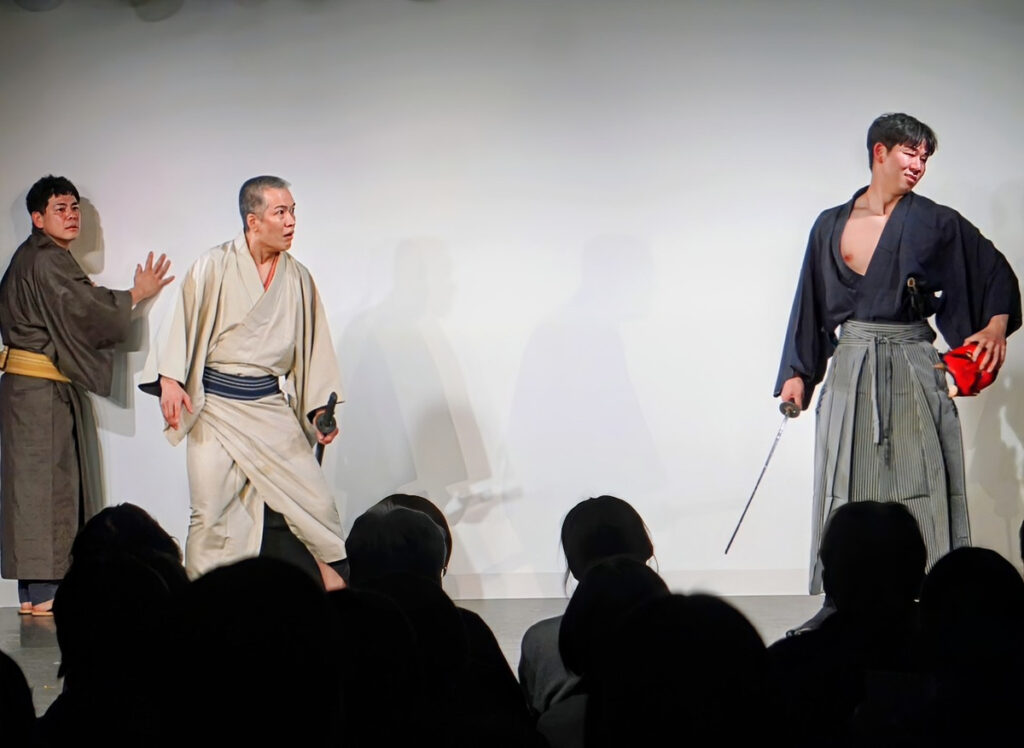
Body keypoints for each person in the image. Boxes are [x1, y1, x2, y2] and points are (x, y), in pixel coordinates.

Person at [776, 113, 1021, 597]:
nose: (918, 165)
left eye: (925, 157)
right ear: (880, 152)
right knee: (846, 486)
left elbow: (993, 271)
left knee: (922, 484)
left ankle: (934, 596)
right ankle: (845, 595)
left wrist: (995, 327)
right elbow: (810, 302)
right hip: (851, 364)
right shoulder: (829, 224)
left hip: (912, 361)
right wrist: (798, 373)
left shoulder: (935, 221)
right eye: (910, 153)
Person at [140, 175, 347, 590]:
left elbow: (313, 350)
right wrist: (170, 380)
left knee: (316, 507)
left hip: (268, 407)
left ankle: (336, 598)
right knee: (210, 514)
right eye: (280, 212)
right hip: (215, 409)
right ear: (253, 221)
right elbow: (180, 325)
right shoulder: (213, 266)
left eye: (292, 212)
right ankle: (201, 604)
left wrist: (317, 412)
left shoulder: (298, 278)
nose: (291, 221)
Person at [0, 175, 172, 616]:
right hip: (39, 393)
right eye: (60, 208)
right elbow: (85, 311)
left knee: (35, 486)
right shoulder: (46, 260)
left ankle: (34, 592)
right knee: (48, 486)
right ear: (38, 218)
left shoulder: (35, 257)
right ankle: (46, 593)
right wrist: (137, 294)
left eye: (75, 207)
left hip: (29, 391)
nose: (71, 215)